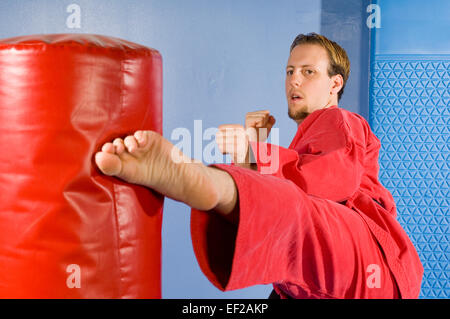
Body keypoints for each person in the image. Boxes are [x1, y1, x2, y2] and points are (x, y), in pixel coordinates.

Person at [94, 33, 423, 298]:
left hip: (371, 260)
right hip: (307, 287)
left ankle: (199, 180)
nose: (294, 81)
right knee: (284, 235)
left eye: (308, 72)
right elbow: (263, 213)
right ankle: (208, 182)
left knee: (298, 215)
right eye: (290, 71)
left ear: (335, 84)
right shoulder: (305, 141)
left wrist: (255, 152)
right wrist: (249, 157)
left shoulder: (341, 120)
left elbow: (331, 182)